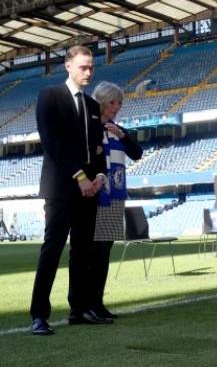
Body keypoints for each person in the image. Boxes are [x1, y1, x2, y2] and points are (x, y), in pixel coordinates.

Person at [29, 45, 107, 336]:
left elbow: (98, 148)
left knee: (83, 251)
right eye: (84, 66)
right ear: (68, 66)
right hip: (62, 187)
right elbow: (52, 143)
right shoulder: (49, 96)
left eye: (91, 67)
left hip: (89, 189)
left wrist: (98, 175)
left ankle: (79, 308)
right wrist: (79, 176)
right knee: (52, 249)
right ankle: (39, 314)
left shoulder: (91, 105)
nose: (89, 71)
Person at [91, 81, 143, 320]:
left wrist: (122, 134)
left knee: (105, 250)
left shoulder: (117, 129)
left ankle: (98, 302)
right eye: (113, 102)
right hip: (96, 195)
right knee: (93, 251)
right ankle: (86, 303)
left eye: (120, 103)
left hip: (116, 196)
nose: (117, 107)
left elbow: (137, 153)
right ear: (101, 101)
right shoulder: (91, 127)